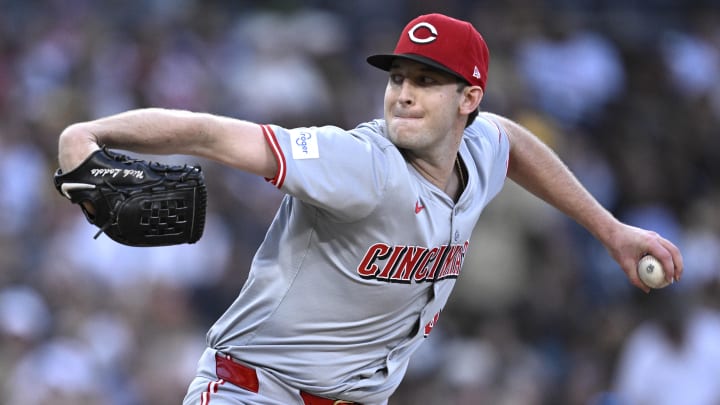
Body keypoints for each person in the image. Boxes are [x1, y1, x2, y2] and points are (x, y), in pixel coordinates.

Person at [56, 13, 683, 405]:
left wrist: (611, 230)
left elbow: (510, 140)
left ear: (469, 98)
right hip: (255, 393)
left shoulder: (483, 147)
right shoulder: (359, 163)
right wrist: (86, 134)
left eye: (426, 81)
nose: (404, 94)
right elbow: (212, 134)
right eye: (398, 77)